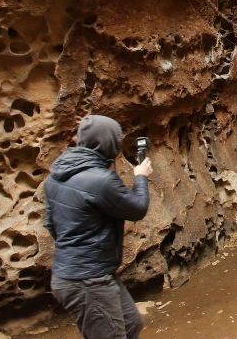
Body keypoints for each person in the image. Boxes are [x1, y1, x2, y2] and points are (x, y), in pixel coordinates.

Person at [43, 115, 153, 339]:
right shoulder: (101, 180)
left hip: (83, 273)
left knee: (131, 324)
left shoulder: (55, 176)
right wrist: (141, 177)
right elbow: (137, 208)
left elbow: (50, 223)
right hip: (86, 279)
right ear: (110, 143)